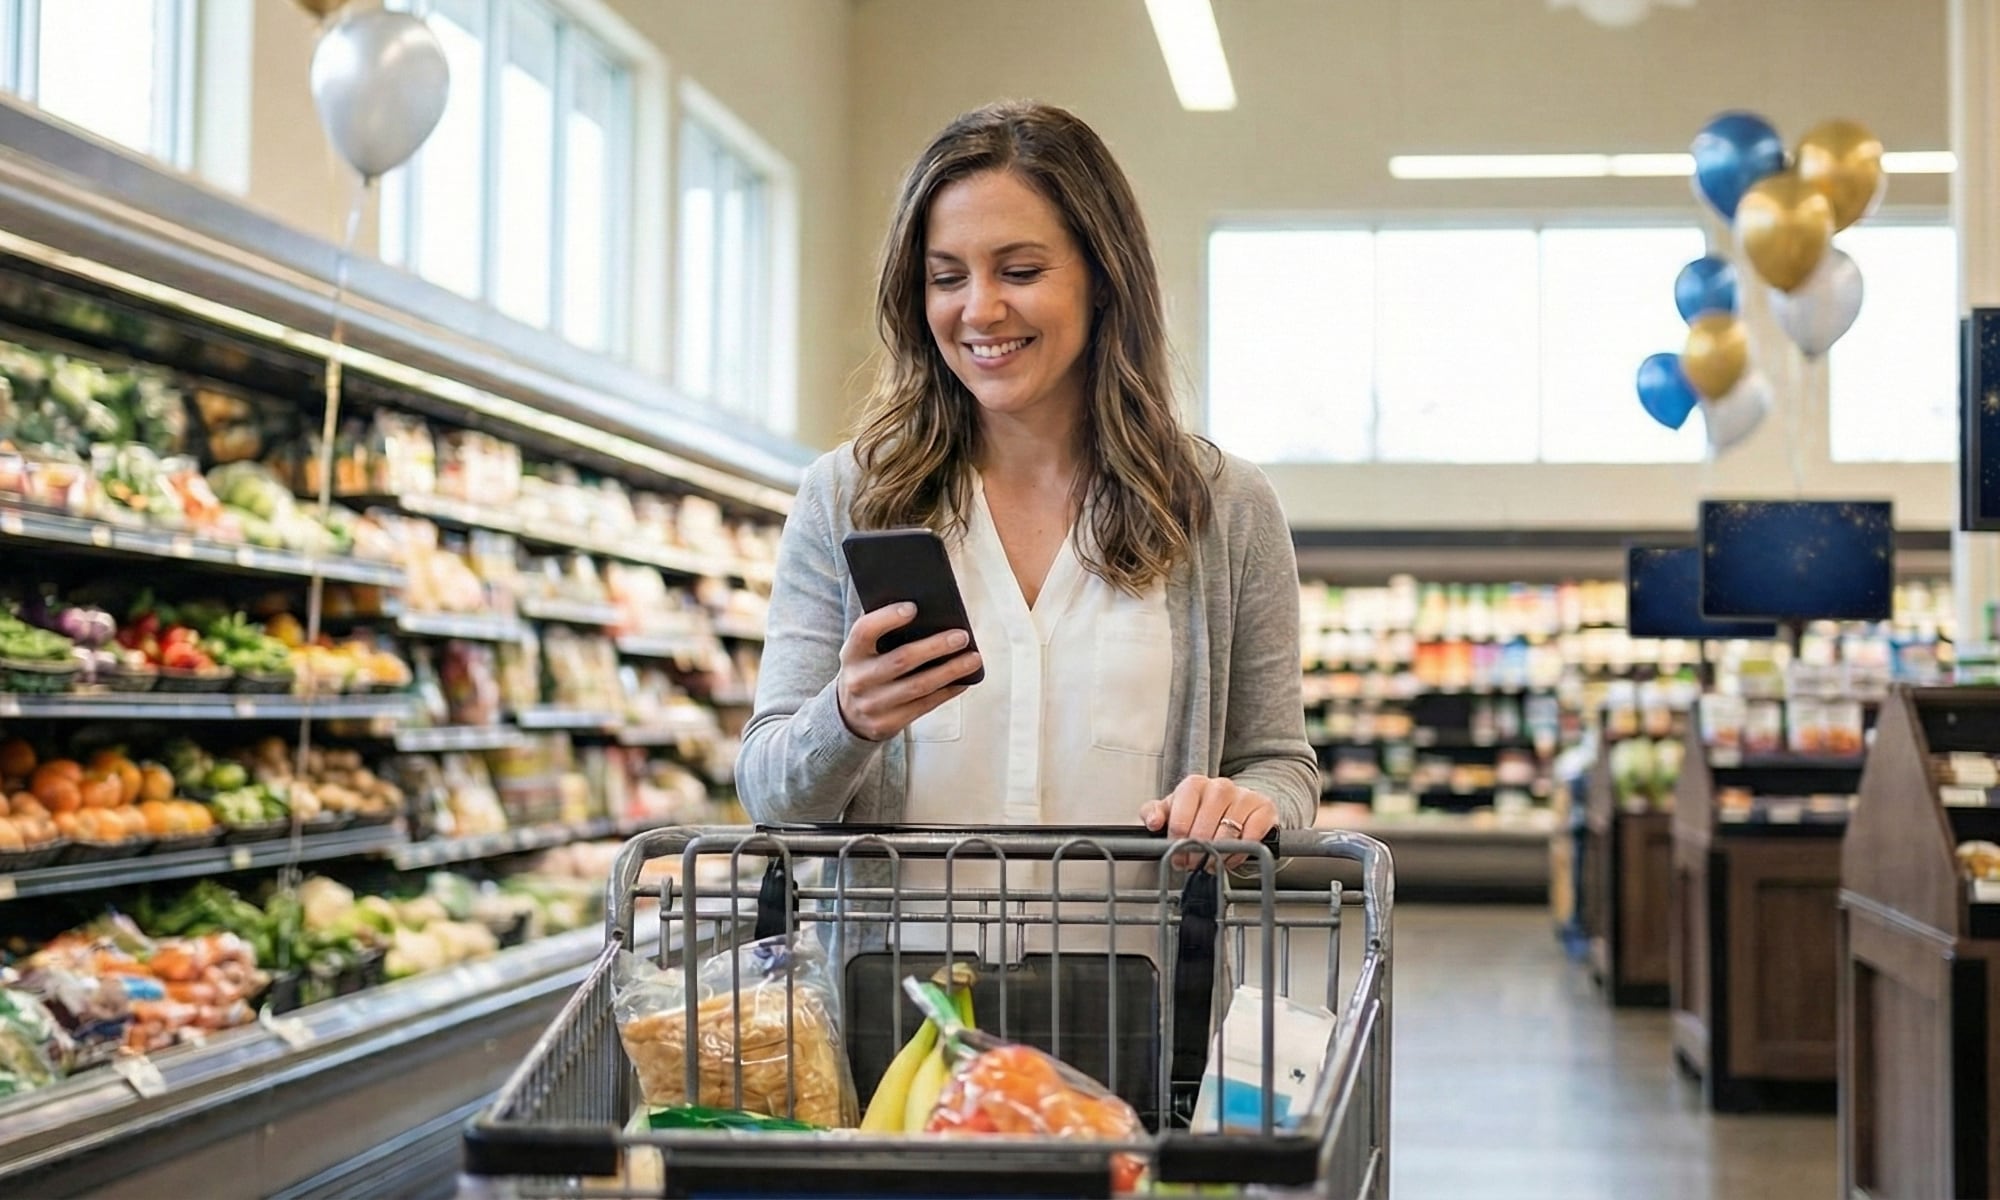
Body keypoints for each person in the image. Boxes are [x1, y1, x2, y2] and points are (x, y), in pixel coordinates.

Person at [736, 99, 1314, 881]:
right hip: (894, 993)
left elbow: (1279, 765)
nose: (979, 309)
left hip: (1135, 992)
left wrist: (1247, 806)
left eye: (1020, 271)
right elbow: (767, 789)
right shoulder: (845, 497)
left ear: (1103, 280)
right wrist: (846, 719)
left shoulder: (1223, 509)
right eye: (947, 277)